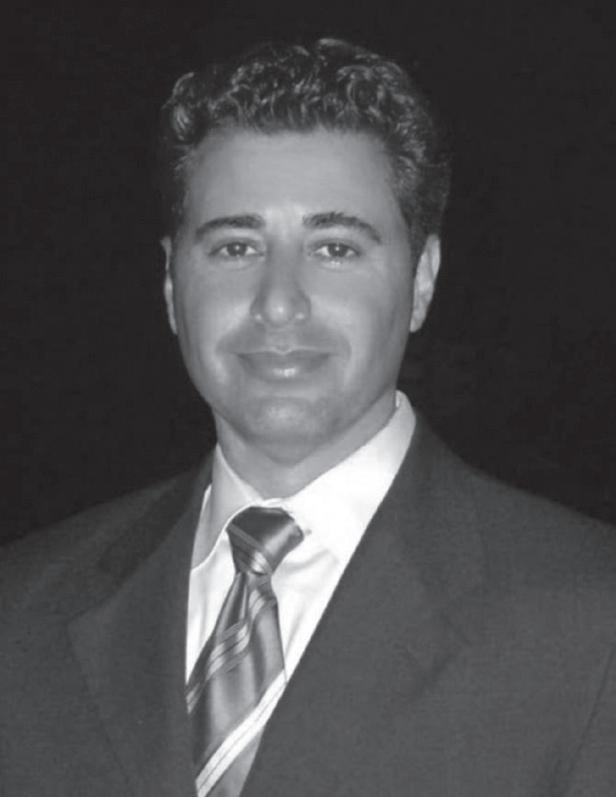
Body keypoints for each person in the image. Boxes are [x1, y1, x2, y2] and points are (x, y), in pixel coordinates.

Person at [1, 38, 614, 797]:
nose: (279, 302)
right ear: (170, 284)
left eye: (334, 248)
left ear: (422, 280)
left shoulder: (590, 619)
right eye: (236, 246)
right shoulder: (23, 612)